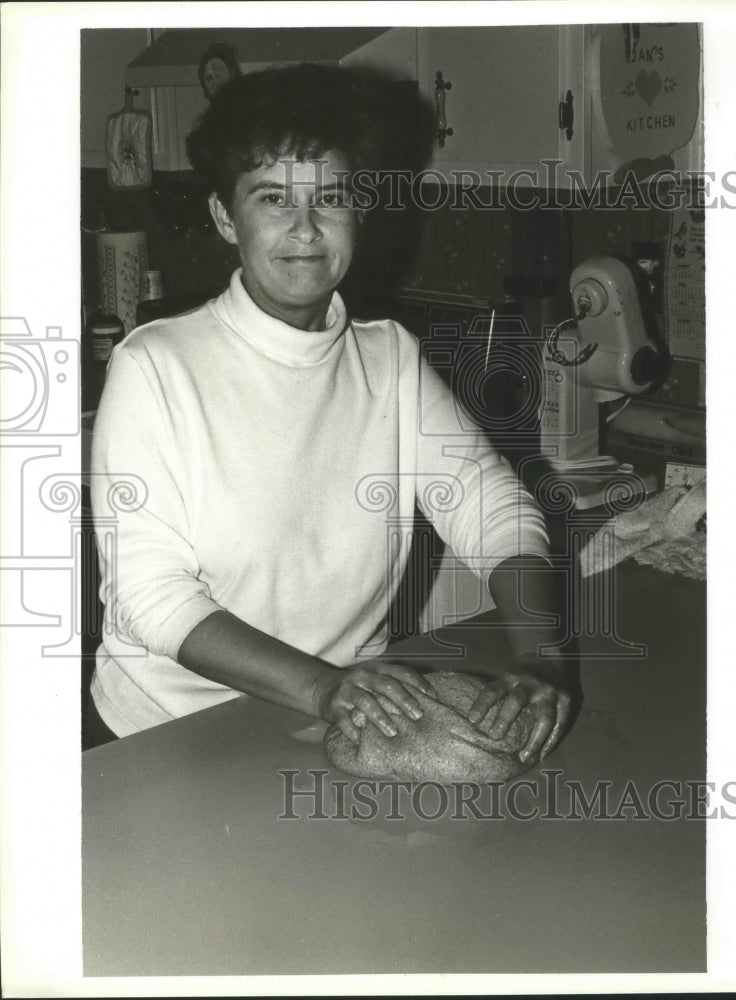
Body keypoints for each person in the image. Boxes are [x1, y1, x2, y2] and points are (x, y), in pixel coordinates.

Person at [88, 64, 570, 762]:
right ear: (226, 217)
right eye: (272, 199)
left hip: (345, 725)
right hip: (164, 735)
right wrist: (324, 687)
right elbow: (151, 598)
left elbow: (490, 507)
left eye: (332, 198)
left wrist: (543, 658)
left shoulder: (389, 361)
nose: (306, 229)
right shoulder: (157, 367)